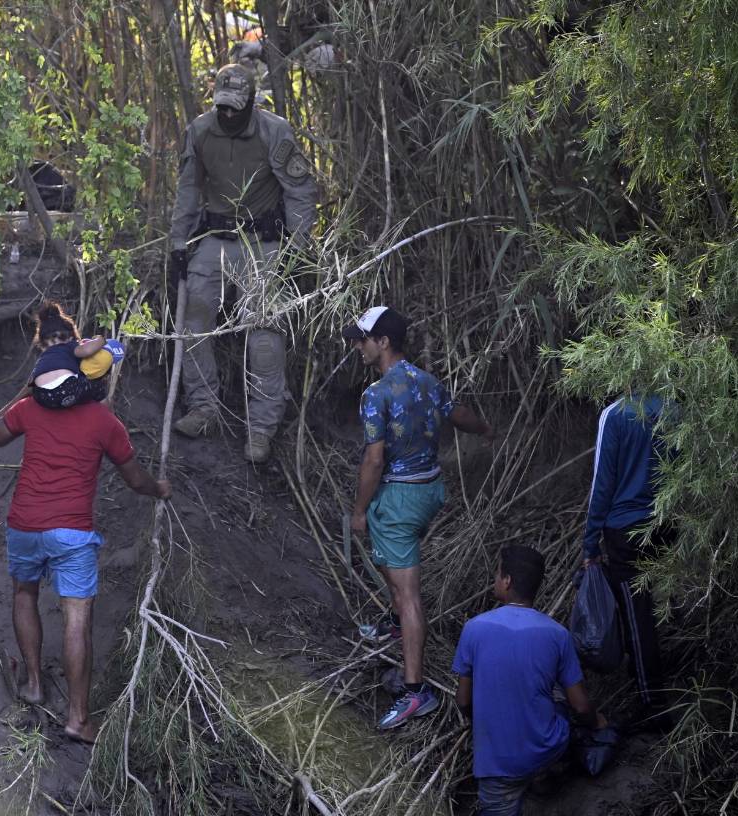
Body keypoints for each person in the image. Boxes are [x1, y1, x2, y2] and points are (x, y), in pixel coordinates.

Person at [0, 379, 170, 742]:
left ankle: (34, 685)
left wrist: (24, 391)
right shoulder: (103, 421)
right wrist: (160, 489)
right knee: (77, 618)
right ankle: (78, 720)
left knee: (24, 594)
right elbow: (135, 480)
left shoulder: (31, 408)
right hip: (71, 533)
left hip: (24, 525)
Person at [342, 306, 495, 729]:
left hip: (400, 500)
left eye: (362, 339)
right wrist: (484, 429)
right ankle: (394, 624)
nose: (357, 346)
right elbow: (458, 414)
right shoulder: (426, 381)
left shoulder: (376, 395)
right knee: (395, 563)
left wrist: (358, 511)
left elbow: (374, 462)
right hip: (430, 490)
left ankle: (416, 692)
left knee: (408, 593)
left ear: (383, 342)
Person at [169, 63, 318, 463]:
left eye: (236, 107)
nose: (229, 114)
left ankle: (261, 429)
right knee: (194, 317)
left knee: (265, 333)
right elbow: (187, 192)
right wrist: (178, 246)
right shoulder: (200, 132)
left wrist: (297, 251)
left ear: (251, 102)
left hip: (264, 244)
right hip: (215, 239)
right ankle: (203, 409)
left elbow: (300, 192)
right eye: (223, 107)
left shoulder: (275, 131)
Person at [454, 545, 608, 815]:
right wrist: (598, 723)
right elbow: (581, 707)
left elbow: (464, 701)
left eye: (497, 574)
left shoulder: (474, 629)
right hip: (545, 749)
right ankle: (545, 777)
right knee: (557, 689)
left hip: (497, 764)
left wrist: (487, 725)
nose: (495, 579)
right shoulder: (557, 634)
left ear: (507, 581)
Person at [582, 394, 670, 714]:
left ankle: (652, 700)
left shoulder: (616, 414)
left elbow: (602, 485)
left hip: (626, 529)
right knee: (660, 603)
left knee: (637, 616)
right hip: (667, 523)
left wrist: (590, 544)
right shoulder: (676, 408)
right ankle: (668, 672)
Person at [28, 301, 122, 410]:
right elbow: (86, 351)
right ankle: (105, 414)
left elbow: (30, 382)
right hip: (65, 391)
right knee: (96, 385)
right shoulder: (70, 345)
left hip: (41, 396)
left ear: (43, 342)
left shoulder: (44, 357)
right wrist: (101, 340)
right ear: (70, 335)